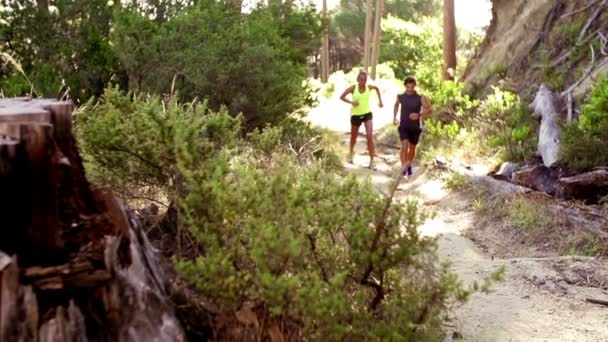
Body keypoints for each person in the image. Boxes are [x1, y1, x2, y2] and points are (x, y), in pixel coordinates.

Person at [339, 69, 384, 169]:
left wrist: (380, 101)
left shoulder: (369, 87)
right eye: (361, 80)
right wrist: (352, 102)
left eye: (365, 80)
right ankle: (351, 153)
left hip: (367, 113)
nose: (363, 82)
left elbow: (377, 88)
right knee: (353, 137)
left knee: (369, 135)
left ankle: (372, 161)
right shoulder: (353, 88)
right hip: (356, 115)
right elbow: (341, 97)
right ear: (358, 79)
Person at [393, 77, 432, 177]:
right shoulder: (400, 96)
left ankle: (408, 165)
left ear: (415, 86)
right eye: (408, 87)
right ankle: (404, 169)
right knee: (405, 145)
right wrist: (394, 117)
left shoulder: (421, 98)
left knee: (412, 148)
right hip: (404, 125)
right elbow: (396, 105)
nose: (410, 89)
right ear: (405, 86)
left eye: (412, 87)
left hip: (415, 127)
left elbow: (429, 110)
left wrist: (419, 115)